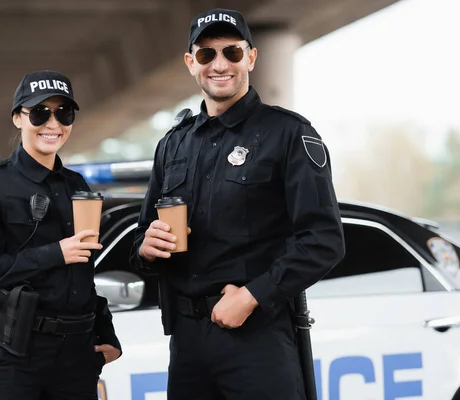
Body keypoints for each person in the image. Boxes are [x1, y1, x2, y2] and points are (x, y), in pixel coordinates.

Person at [130, 8, 345, 400]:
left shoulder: (288, 134)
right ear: (190, 63)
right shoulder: (172, 144)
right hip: (187, 343)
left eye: (231, 52)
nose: (220, 64)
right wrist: (146, 248)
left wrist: (251, 296)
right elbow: (143, 238)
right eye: (207, 54)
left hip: (257, 337)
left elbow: (324, 239)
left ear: (251, 57)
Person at [0, 70, 121, 400]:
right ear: (18, 118)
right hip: (14, 355)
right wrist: (53, 253)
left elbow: (82, 273)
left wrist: (106, 332)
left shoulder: (77, 186)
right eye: (40, 112)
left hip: (76, 359)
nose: (53, 124)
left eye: (64, 113)